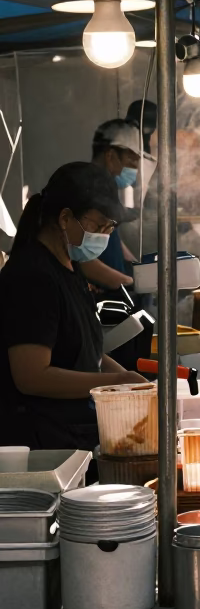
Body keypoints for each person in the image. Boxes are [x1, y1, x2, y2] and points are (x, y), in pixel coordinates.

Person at [0, 162, 146, 449]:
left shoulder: (70, 267)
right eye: (98, 225)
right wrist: (115, 382)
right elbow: (31, 376)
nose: (104, 234)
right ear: (65, 218)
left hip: (71, 435)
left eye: (109, 227)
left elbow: (88, 355)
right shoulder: (32, 276)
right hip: (38, 446)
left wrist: (130, 382)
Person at [83, 119, 144, 294]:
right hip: (100, 296)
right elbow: (81, 257)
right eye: (131, 162)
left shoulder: (106, 190)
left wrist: (138, 269)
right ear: (110, 156)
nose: (135, 169)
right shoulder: (87, 189)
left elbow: (111, 238)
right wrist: (127, 282)